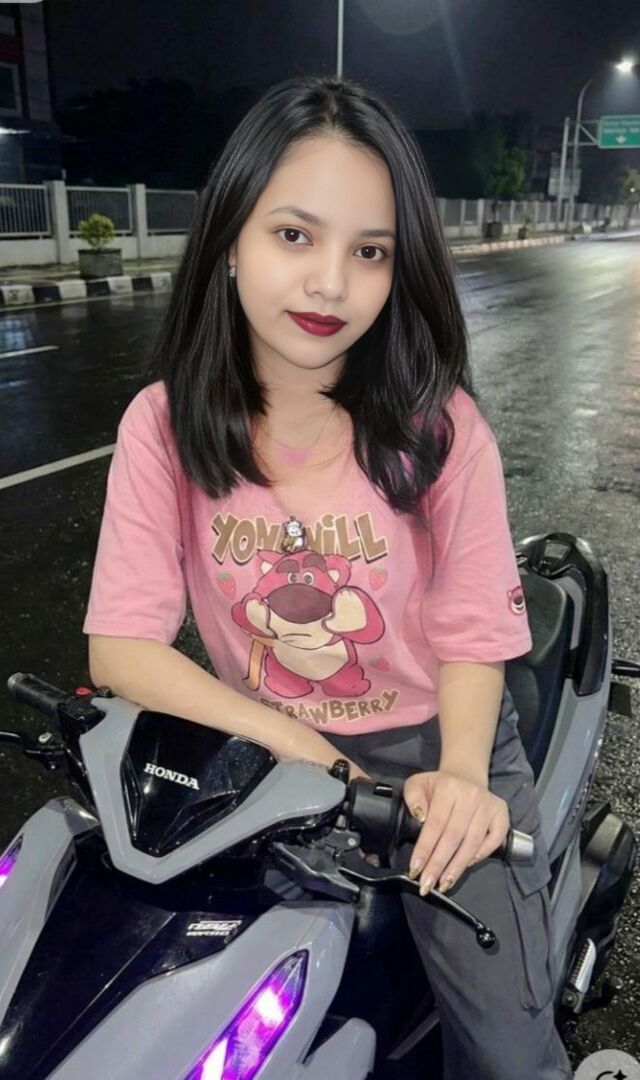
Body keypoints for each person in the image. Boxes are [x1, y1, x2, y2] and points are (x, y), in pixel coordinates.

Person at [82, 74, 573, 1079]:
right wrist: (296, 744)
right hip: (260, 753)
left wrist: (463, 779)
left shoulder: (440, 430)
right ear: (230, 239)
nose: (330, 284)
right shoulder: (164, 425)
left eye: (370, 252)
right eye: (294, 235)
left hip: (432, 747)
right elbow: (122, 647)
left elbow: (473, 634)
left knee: (506, 1053)